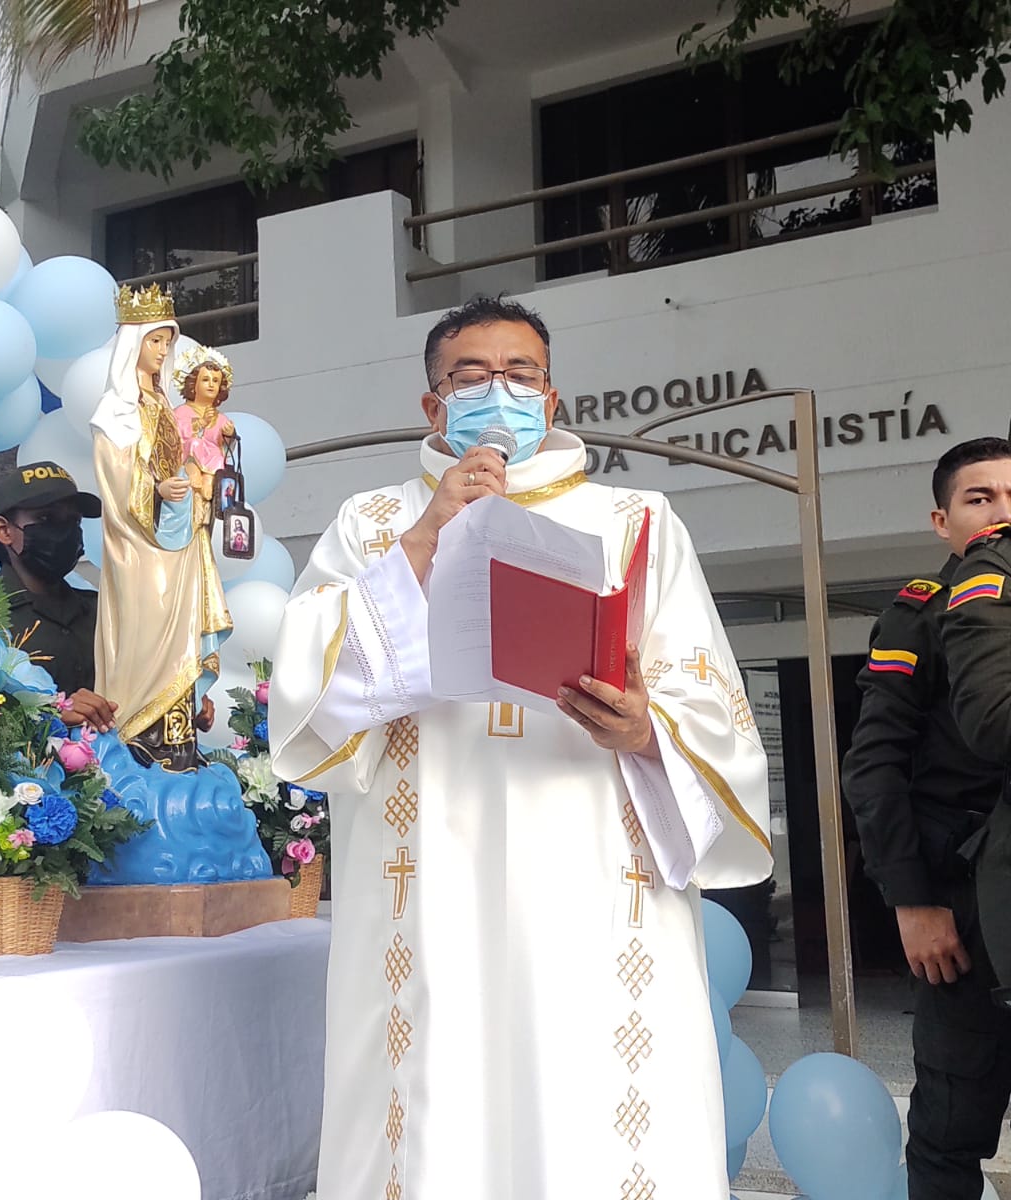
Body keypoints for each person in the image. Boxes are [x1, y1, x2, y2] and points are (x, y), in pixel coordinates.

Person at [269, 295, 771, 1199]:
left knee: (586, 1097)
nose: (497, 392)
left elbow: (709, 694)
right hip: (426, 874)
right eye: (470, 377)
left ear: (552, 398)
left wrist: (648, 728)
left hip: (589, 853)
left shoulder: (637, 519)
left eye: (520, 375)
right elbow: (307, 689)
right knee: (435, 1096)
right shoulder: (373, 521)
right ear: (432, 406)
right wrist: (428, 537)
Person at [844, 437, 1011, 1200]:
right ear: (941, 520)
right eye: (981, 499)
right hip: (963, 906)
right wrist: (912, 901)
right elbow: (874, 765)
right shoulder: (920, 613)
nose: (1002, 514)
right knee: (951, 1125)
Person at [90, 285, 230, 772]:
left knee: (182, 633)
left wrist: (202, 479)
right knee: (145, 630)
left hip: (180, 535)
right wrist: (155, 491)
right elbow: (116, 476)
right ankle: (138, 726)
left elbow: (184, 456)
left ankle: (178, 733)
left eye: (168, 341)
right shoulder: (116, 408)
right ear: (133, 343)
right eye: (155, 341)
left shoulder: (165, 405)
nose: (164, 350)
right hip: (140, 544)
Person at [0, 460, 117, 732]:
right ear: (3, 530)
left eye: (73, 521)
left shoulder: (98, 611)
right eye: (46, 519)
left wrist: (183, 704)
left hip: (114, 769)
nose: (65, 532)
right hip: (20, 771)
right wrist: (52, 714)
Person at [172, 345, 237, 513]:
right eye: (205, 380)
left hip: (210, 462)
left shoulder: (221, 418)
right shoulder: (182, 411)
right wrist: (200, 423)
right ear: (193, 384)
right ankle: (194, 473)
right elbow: (177, 432)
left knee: (216, 455)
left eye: (215, 381)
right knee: (195, 443)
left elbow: (223, 446)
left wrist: (228, 435)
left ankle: (209, 479)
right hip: (186, 459)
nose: (211, 385)